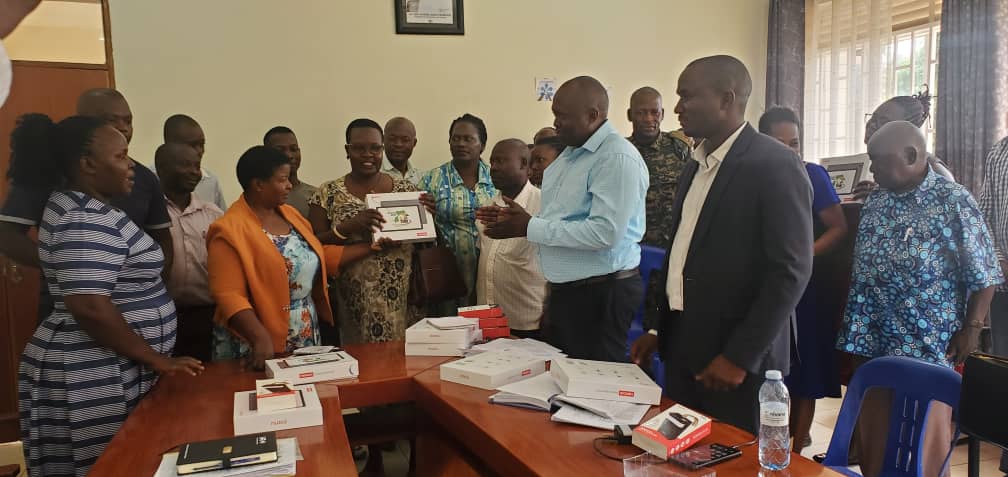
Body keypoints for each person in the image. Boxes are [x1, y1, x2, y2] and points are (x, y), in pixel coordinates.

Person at [630, 56, 813, 434]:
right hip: (684, 346)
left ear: (726, 100)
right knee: (683, 457)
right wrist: (658, 330)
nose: (677, 108)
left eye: (687, 96)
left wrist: (739, 356)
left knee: (734, 462)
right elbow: (682, 255)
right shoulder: (695, 163)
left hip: (737, 359)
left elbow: (790, 271)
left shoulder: (774, 164)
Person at [14, 114, 203, 477]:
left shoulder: (88, 208)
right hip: (92, 373)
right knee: (111, 467)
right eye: (120, 156)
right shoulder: (82, 218)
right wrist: (156, 359)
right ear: (87, 165)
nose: (130, 164)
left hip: (108, 366)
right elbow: (89, 306)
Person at [836, 121, 1002, 477]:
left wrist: (972, 328)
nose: (872, 169)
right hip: (873, 340)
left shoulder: (953, 201)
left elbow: (984, 272)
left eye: (878, 160)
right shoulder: (876, 203)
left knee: (924, 435)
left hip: (928, 343)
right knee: (876, 434)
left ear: (912, 156)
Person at [479, 76, 648, 362]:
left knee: (593, 388)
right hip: (567, 291)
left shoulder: (615, 158)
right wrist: (518, 221)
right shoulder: (571, 155)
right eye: (554, 114)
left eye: (562, 116)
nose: (555, 123)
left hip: (601, 293)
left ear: (593, 116)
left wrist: (530, 226)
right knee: (562, 382)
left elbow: (605, 233)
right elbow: (561, 218)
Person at [0, 88, 173, 320]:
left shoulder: (143, 177)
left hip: (131, 311)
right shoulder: (45, 175)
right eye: (111, 120)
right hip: (70, 309)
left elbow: (162, 238)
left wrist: (148, 281)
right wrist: (67, 266)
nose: (123, 127)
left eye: (128, 121)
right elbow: (7, 234)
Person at [207, 146, 387, 368]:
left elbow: (316, 257)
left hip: (303, 331)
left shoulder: (290, 214)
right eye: (283, 180)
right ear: (259, 185)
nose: (290, 185)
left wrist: (371, 247)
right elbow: (228, 294)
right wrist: (260, 338)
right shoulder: (228, 230)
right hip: (256, 339)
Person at [758, 106, 848, 451]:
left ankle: (796, 449)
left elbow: (838, 227)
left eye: (794, 143)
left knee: (806, 369)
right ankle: (767, 440)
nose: (789, 151)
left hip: (807, 288)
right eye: (779, 144)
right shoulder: (752, 175)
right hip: (765, 286)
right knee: (769, 369)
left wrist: (802, 256)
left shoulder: (813, 175)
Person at [308, 119, 423, 343]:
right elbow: (313, 245)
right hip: (352, 300)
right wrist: (347, 228)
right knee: (360, 365)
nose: (368, 154)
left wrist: (428, 216)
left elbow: (423, 240)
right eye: (359, 148)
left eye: (375, 148)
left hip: (401, 298)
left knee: (401, 365)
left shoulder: (406, 190)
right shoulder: (327, 193)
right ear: (347, 150)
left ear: (382, 149)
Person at [419, 114, 496, 313]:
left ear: (482, 145)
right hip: (448, 272)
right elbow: (419, 226)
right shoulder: (431, 179)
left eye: (468, 139)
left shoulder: (496, 178)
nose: (460, 143)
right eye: (455, 138)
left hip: (491, 270)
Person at [154, 143, 224, 361]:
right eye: (186, 165)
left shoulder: (213, 215)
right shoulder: (150, 214)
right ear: (162, 168)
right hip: (163, 315)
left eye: (197, 166)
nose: (195, 172)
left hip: (207, 315)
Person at [476, 139, 546, 339]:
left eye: (501, 161)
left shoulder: (544, 205)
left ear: (524, 164)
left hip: (528, 321)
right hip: (488, 319)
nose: (494, 168)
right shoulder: (488, 206)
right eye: (492, 161)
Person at [851, 89, 954, 200]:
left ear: (906, 129)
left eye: (883, 120)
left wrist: (886, 199)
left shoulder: (935, 171)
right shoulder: (875, 166)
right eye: (873, 118)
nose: (871, 124)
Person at [626, 86, 692, 248]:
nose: (649, 119)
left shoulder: (679, 149)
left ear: (662, 114)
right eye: (641, 113)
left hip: (672, 244)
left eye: (654, 112)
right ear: (630, 115)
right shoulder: (620, 152)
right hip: (632, 246)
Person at [978, 126, 1008, 474]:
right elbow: (984, 217)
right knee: (1004, 367)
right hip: (1004, 283)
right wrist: (1000, 260)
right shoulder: (999, 151)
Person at [163, 114, 227, 210]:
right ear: (171, 145)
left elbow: (221, 222)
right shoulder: (147, 179)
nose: (199, 151)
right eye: (192, 145)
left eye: (202, 144)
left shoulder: (210, 181)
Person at [264, 126, 317, 218]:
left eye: (293, 149)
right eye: (280, 150)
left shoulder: (315, 195)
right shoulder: (260, 197)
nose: (289, 155)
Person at [382, 116, 424, 185]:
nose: (398, 144)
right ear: (383, 140)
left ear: (414, 143)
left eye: (405, 140)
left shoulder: (420, 177)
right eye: (392, 139)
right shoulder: (373, 174)